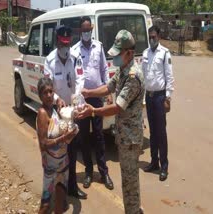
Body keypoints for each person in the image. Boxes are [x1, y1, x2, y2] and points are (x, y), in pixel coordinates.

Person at [77, 30, 145, 214]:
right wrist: (89, 93)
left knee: (130, 182)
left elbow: (118, 107)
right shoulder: (122, 70)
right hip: (124, 136)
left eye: (118, 54)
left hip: (131, 139)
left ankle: (134, 211)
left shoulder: (133, 76)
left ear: (129, 53)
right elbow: (109, 87)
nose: (115, 58)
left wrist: (94, 111)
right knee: (127, 179)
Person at [44, 25, 87, 199]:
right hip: (56, 112)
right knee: (57, 150)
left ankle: (72, 186)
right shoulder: (50, 60)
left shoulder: (75, 57)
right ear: (57, 42)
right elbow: (47, 87)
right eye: (63, 44)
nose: (66, 48)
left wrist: (77, 96)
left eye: (68, 44)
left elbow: (80, 77)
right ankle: (56, 186)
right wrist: (56, 99)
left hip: (72, 111)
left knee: (72, 149)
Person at [72, 16, 114, 190]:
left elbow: (104, 69)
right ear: (80, 31)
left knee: (99, 136)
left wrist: (108, 91)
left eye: (89, 29)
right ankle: (89, 171)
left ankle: (104, 172)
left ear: (92, 30)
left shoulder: (99, 47)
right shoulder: (75, 50)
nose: (87, 32)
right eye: (84, 30)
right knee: (84, 137)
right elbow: (73, 75)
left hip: (97, 97)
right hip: (82, 99)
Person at [36, 77, 78, 213]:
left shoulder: (54, 110)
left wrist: (69, 133)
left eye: (50, 91)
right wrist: (63, 138)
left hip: (63, 163)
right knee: (46, 204)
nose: (48, 95)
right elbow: (43, 144)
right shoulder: (42, 113)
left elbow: (60, 131)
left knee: (60, 199)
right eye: (45, 93)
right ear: (40, 95)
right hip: (51, 166)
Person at [142, 25, 174, 182]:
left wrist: (168, 98)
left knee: (161, 133)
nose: (152, 39)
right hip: (149, 97)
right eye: (150, 37)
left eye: (154, 37)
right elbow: (143, 76)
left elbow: (169, 77)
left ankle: (164, 166)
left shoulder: (165, 53)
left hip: (160, 98)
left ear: (159, 37)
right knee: (153, 132)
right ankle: (153, 162)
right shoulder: (145, 53)